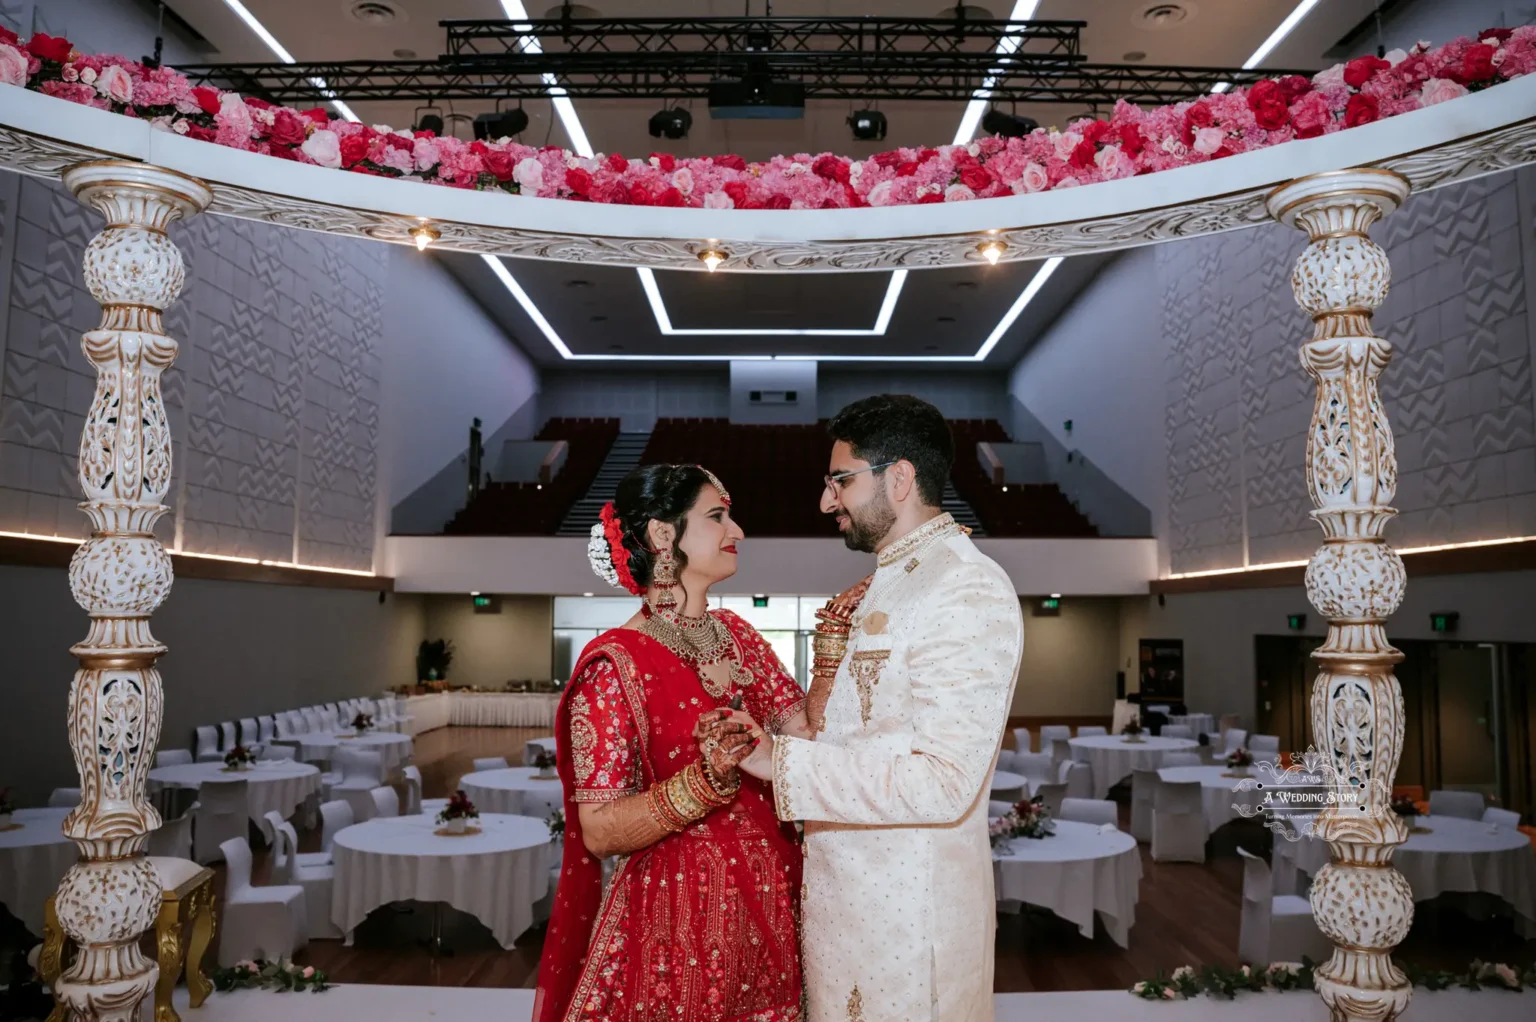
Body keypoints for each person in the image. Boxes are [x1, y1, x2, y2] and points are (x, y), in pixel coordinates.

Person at [735, 394, 1025, 1022]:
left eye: (840, 481)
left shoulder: (965, 584)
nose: (826, 501)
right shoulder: (889, 580)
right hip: (848, 910)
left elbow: (945, 782)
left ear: (899, 478)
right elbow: (858, 735)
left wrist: (779, 763)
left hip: (909, 926)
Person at [534, 463, 813, 1022]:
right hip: (678, 920)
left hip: (777, 899)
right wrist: (704, 782)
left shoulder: (739, 635)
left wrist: (833, 654)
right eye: (717, 517)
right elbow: (599, 830)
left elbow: (805, 734)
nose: (736, 532)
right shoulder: (615, 665)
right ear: (664, 535)